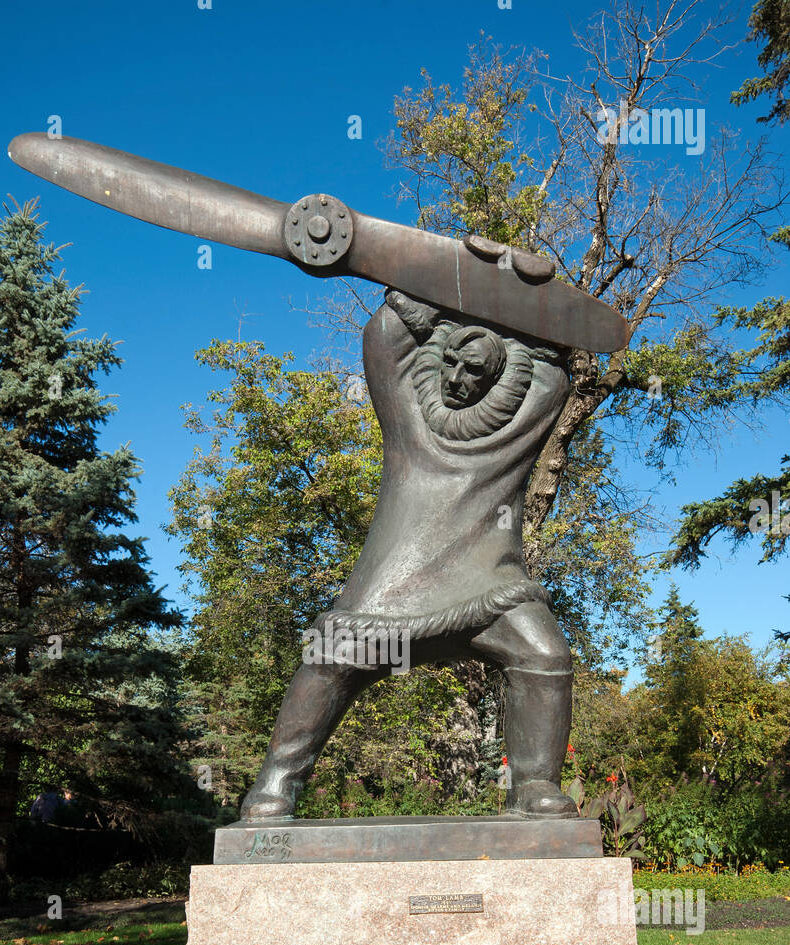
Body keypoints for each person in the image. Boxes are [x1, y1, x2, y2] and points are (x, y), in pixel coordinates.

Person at [241, 288, 577, 821]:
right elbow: (385, 338)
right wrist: (430, 283)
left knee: (546, 657)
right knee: (330, 659)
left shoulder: (518, 424)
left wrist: (521, 289)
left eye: (474, 372)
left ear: (499, 378)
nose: (457, 380)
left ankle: (535, 787)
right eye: (452, 363)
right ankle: (276, 786)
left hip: (489, 581)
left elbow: (554, 367)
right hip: (391, 580)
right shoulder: (407, 411)